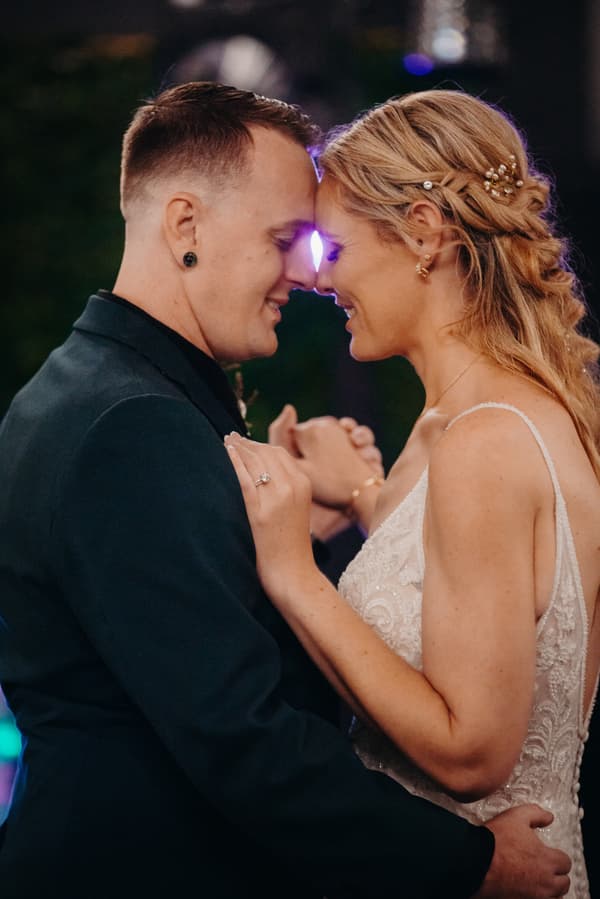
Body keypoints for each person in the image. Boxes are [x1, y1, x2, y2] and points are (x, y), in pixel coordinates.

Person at [0, 82, 570, 899]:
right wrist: (471, 863)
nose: (302, 277)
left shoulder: (91, 388)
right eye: (284, 239)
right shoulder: (130, 425)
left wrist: (308, 529)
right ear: (186, 225)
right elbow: (239, 736)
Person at [225, 88, 600, 898]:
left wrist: (293, 572)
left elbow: (473, 752)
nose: (318, 277)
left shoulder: (486, 443)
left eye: (334, 245)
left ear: (425, 234)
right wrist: (354, 497)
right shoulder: (469, 424)